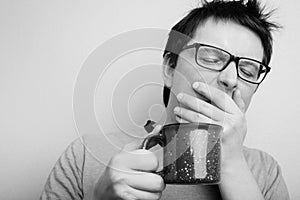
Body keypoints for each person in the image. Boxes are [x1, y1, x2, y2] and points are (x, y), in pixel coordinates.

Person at [40, 0, 290, 199]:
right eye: (212, 58)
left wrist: (232, 165)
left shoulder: (265, 172)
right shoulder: (85, 157)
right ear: (170, 68)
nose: (231, 79)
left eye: (248, 70)